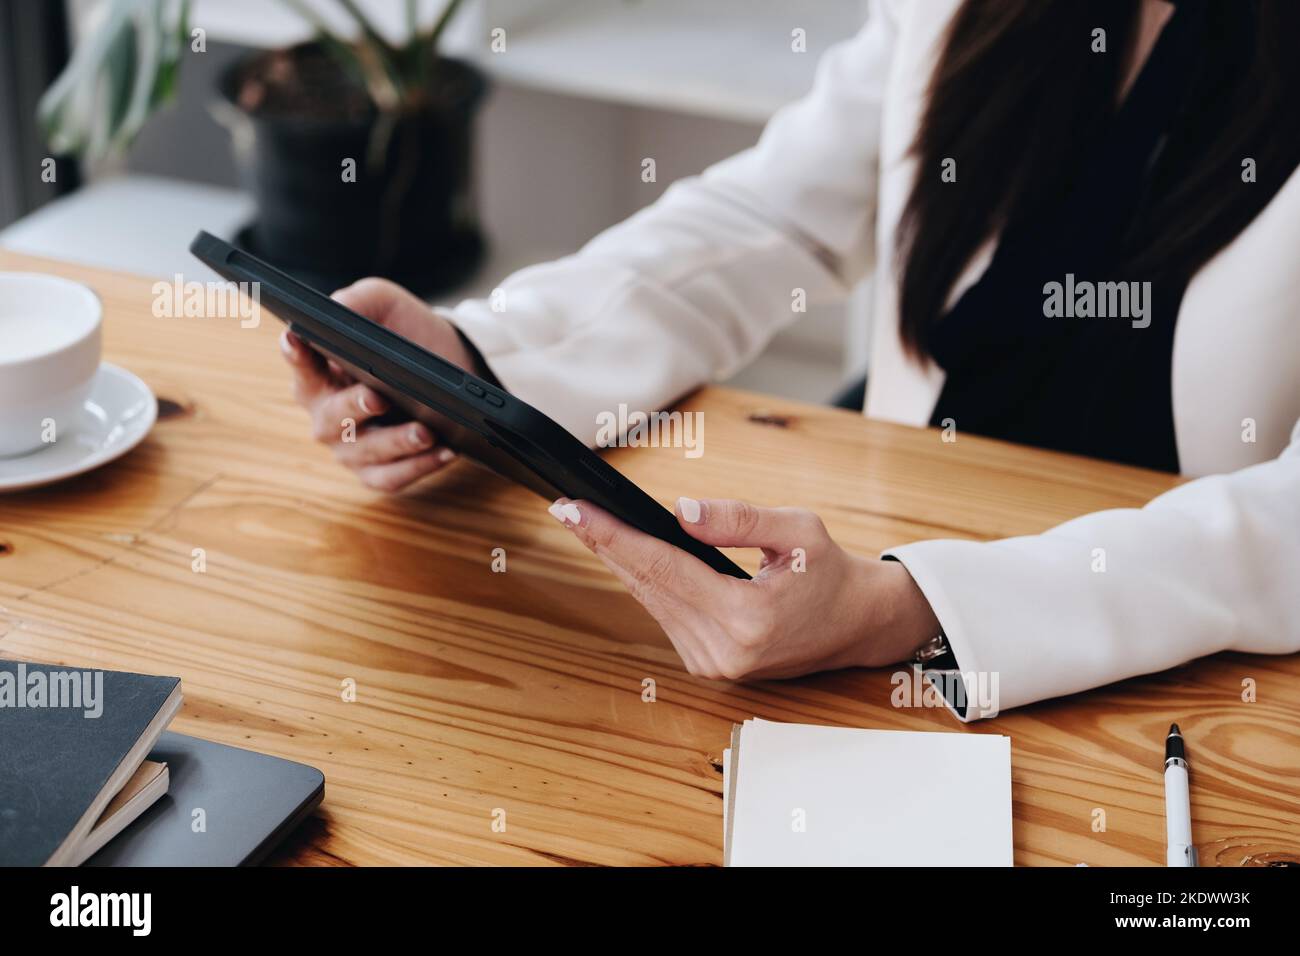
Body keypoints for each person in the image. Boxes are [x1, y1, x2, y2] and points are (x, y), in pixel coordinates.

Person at [280, 0, 1300, 719]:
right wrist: (476, 358)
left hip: (1170, 649)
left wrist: (913, 610)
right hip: (902, 515)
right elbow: (776, 216)